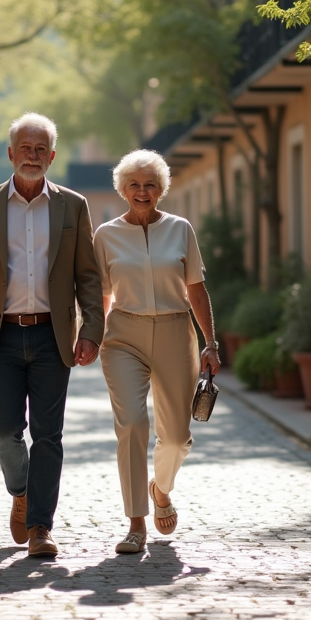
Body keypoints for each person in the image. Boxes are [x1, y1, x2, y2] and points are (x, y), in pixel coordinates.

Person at [0, 112, 104, 558]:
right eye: (26, 148)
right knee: (5, 431)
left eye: (41, 149)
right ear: (10, 153)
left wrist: (91, 329)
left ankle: (41, 527)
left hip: (51, 336)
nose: (33, 156)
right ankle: (20, 490)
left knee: (48, 435)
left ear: (52, 156)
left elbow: (87, 275)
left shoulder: (73, 206)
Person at [93, 149, 221, 554]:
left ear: (161, 189)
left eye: (150, 184)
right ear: (122, 189)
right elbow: (101, 296)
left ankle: (161, 489)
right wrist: (90, 337)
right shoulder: (106, 235)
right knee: (131, 425)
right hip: (123, 336)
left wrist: (211, 343)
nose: (142, 191)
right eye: (134, 184)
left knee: (177, 438)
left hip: (174, 332)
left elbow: (196, 290)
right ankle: (136, 523)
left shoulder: (181, 229)